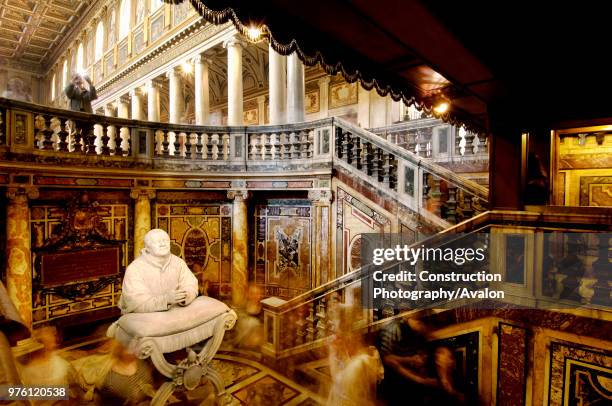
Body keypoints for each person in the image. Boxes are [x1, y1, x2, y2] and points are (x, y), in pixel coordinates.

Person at [118, 229, 198, 314]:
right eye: (157, 242)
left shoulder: (178, 262)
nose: (163, 244)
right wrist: (166, 300)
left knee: (211, 306)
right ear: (147, 248)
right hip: (145, 315)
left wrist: (185, 296)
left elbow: (190, 284)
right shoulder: (135, 268)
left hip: (175, 308)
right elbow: (135, 304)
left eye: (165, 240)